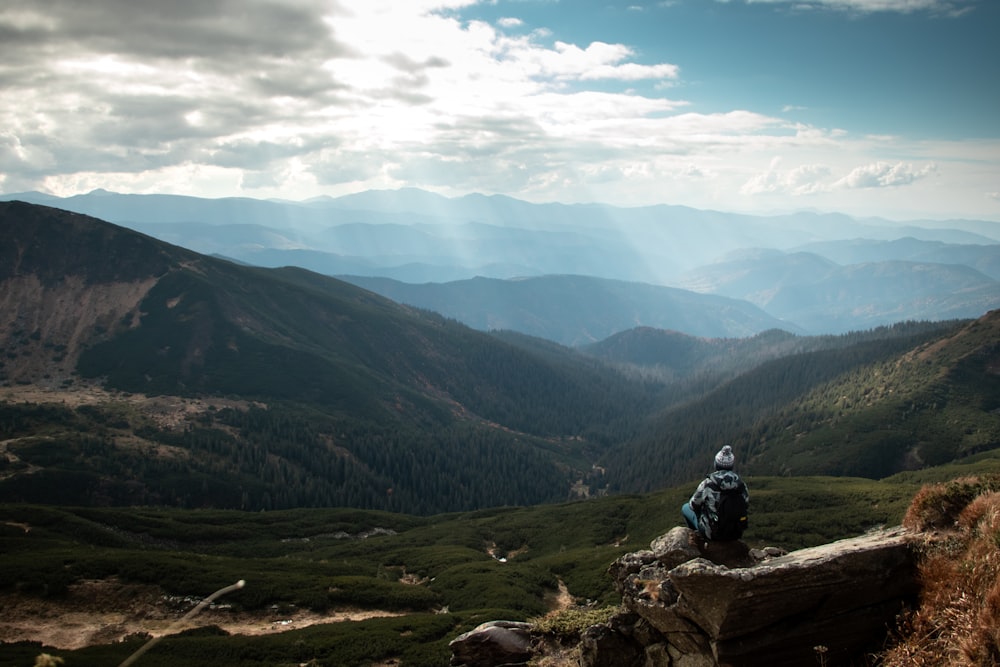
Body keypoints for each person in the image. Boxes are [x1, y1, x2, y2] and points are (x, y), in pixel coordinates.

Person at [681, 445, 750, 541]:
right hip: (735, 533)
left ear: (716, 464)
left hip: (713, 533)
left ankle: (696, 540)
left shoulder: (708, 483)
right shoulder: (741, 484)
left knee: (685, 508)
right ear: (732, 465)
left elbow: (693, 504)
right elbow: (746, 504)